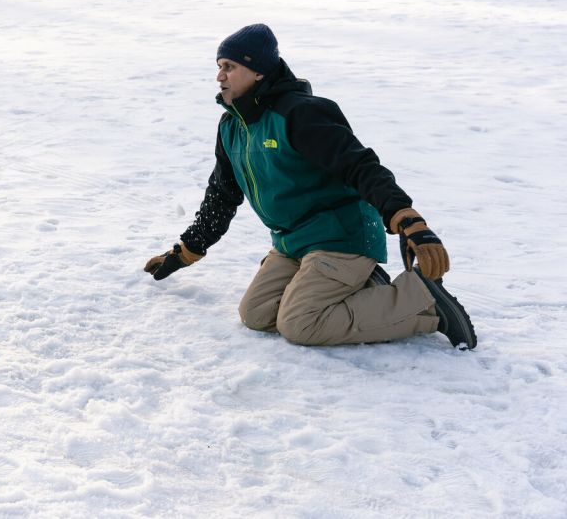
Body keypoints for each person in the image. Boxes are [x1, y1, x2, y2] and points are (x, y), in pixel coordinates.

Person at [144, 23, 476, 349]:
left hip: (341, 235)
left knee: (300, 324)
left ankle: (423, 302)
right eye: (219, 67)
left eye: (229, 67)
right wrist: (187, 249)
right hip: (293, 241)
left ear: (258, 71)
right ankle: (358, 290)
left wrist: (406, 218)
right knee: (255, 314)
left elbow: (360, 166)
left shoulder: (299, 114)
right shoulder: (233, 125)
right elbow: (222, 194)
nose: (220, 77)